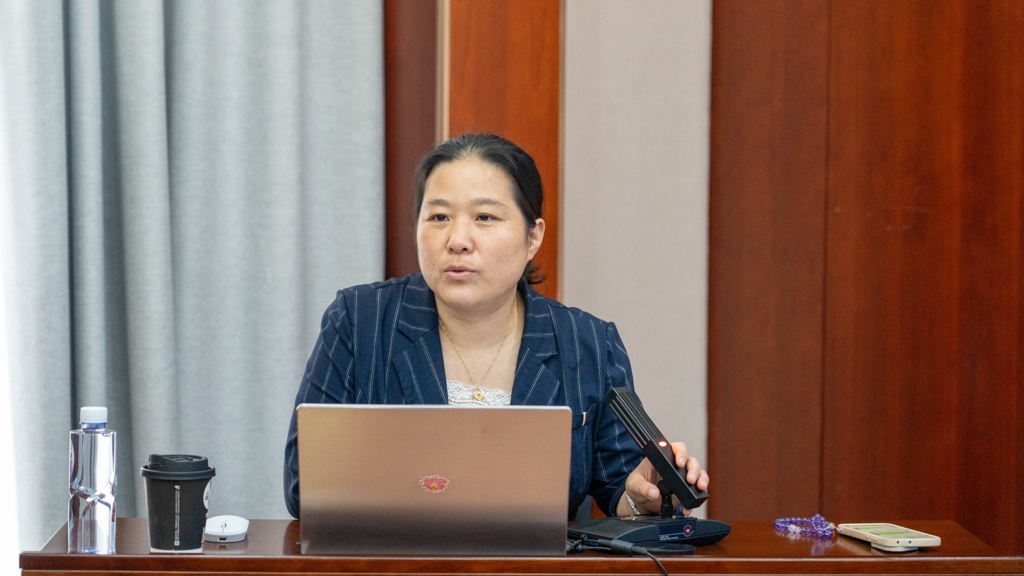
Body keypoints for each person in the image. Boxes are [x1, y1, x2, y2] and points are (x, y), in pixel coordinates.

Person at [283, 133, 709, 519]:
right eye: (438, 217)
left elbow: (621, 486)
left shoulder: (587, 343)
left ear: (532, 237)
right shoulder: (360, 322)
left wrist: (641, 496)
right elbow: (305, 485)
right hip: (392, 563)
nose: (457, 240)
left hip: (532, 569)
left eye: (485, 217)